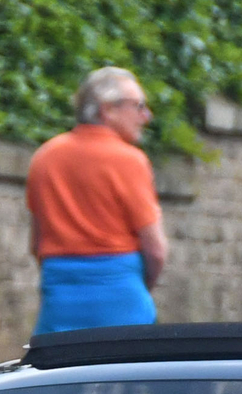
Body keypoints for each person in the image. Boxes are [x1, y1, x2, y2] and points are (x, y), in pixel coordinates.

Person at [24, 67, 170, 335]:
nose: (146, 116)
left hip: (60, 295)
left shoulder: (45, 157)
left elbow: (36, 242)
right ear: (107, 110)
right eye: (138, 106)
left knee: (61, 373)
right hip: (121, 295)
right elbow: (156, 250)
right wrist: (137, 284)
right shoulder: (129, 160)